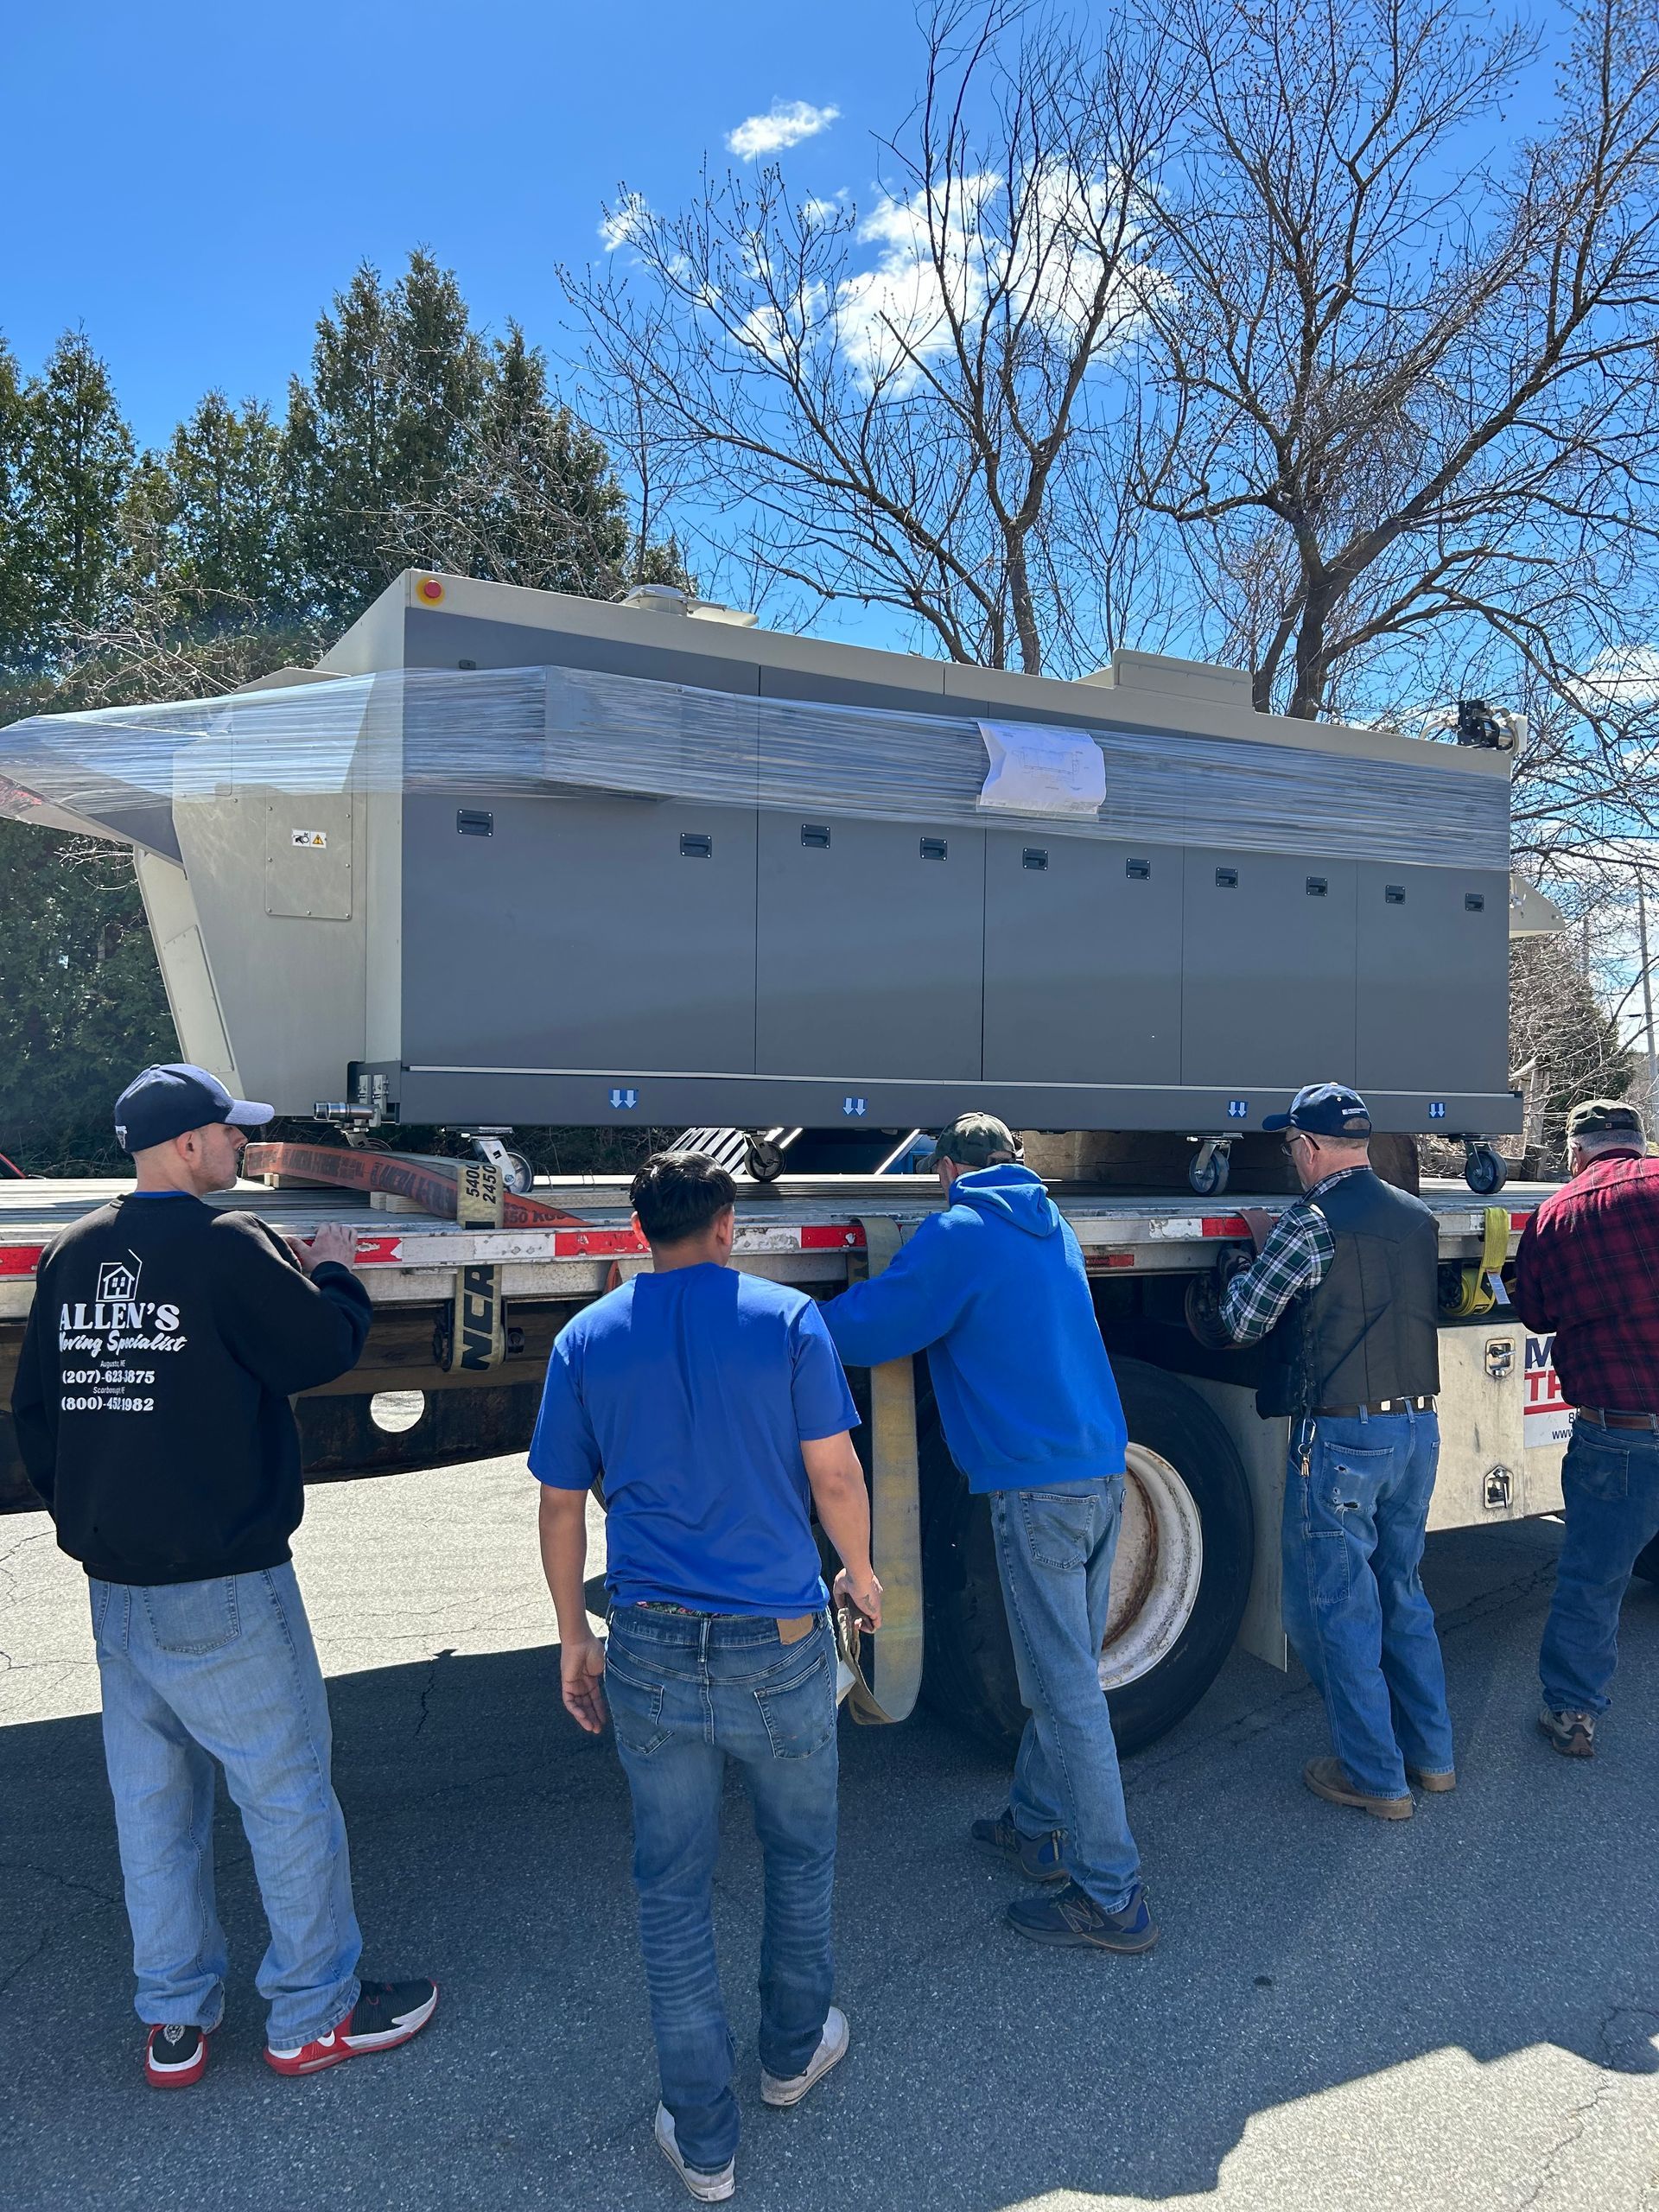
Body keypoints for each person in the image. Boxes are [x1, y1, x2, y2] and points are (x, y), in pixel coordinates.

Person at [10, 1063, 436, 2089]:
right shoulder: (228, 1245)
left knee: (152, 1808)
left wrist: (88, 1523)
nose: (243, 1146)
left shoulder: (72, 1256)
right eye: (230, 1133)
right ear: (187, 1144)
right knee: (285, 1796)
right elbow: (319, 1348)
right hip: (228, 1581)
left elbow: (34, 1414)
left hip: (115, 1587)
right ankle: (312, 2014)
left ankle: (174, 2021)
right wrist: (333, 1271)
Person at [531, 1151, 880, 2204]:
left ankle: (704, 2136)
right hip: (775, 1640)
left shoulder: (583, 1340)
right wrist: (860, 1575)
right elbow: (832, 1470)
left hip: (644, 1639)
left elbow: (558, 1505)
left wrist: (568, 1636)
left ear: (641, 1231)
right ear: (727, 1225)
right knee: (799, 1850)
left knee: (671, 1887)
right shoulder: (785, 1322)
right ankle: (788, 2055)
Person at [820, 1111, 1154, 1957]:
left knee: (1061, 1683)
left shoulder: (959, 1231)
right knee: (1067, 1659)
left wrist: (792, 1319)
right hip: (1101, 1467)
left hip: (1035, 1485)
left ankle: (1112, 1893)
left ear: (944, 1168)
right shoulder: (1053, 1228)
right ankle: (1037, 1824)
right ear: (1012, 1160)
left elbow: (877, 1326)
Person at [1218, 1081, 1453, 1820]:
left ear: (1312, 1147)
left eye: (1292, 1147)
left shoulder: (1308, 1222)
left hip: (1345, 1439)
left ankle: (1377, 1778)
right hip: (1418, 1428)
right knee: (1402, 1591)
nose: (1293, 1160)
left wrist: (1247, 1262)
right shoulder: (1417, 1217)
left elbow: (1243, 1321)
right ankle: (1434, 1758)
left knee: (1334, 1609)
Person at [1509, 1097, 1659, 1758]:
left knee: (1594, 1577)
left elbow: (1538, 1317)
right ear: (1638, 1140)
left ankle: (1573, 1715)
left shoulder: (1554, 1214)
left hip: (1618, 1429)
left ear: (1575, 1153)